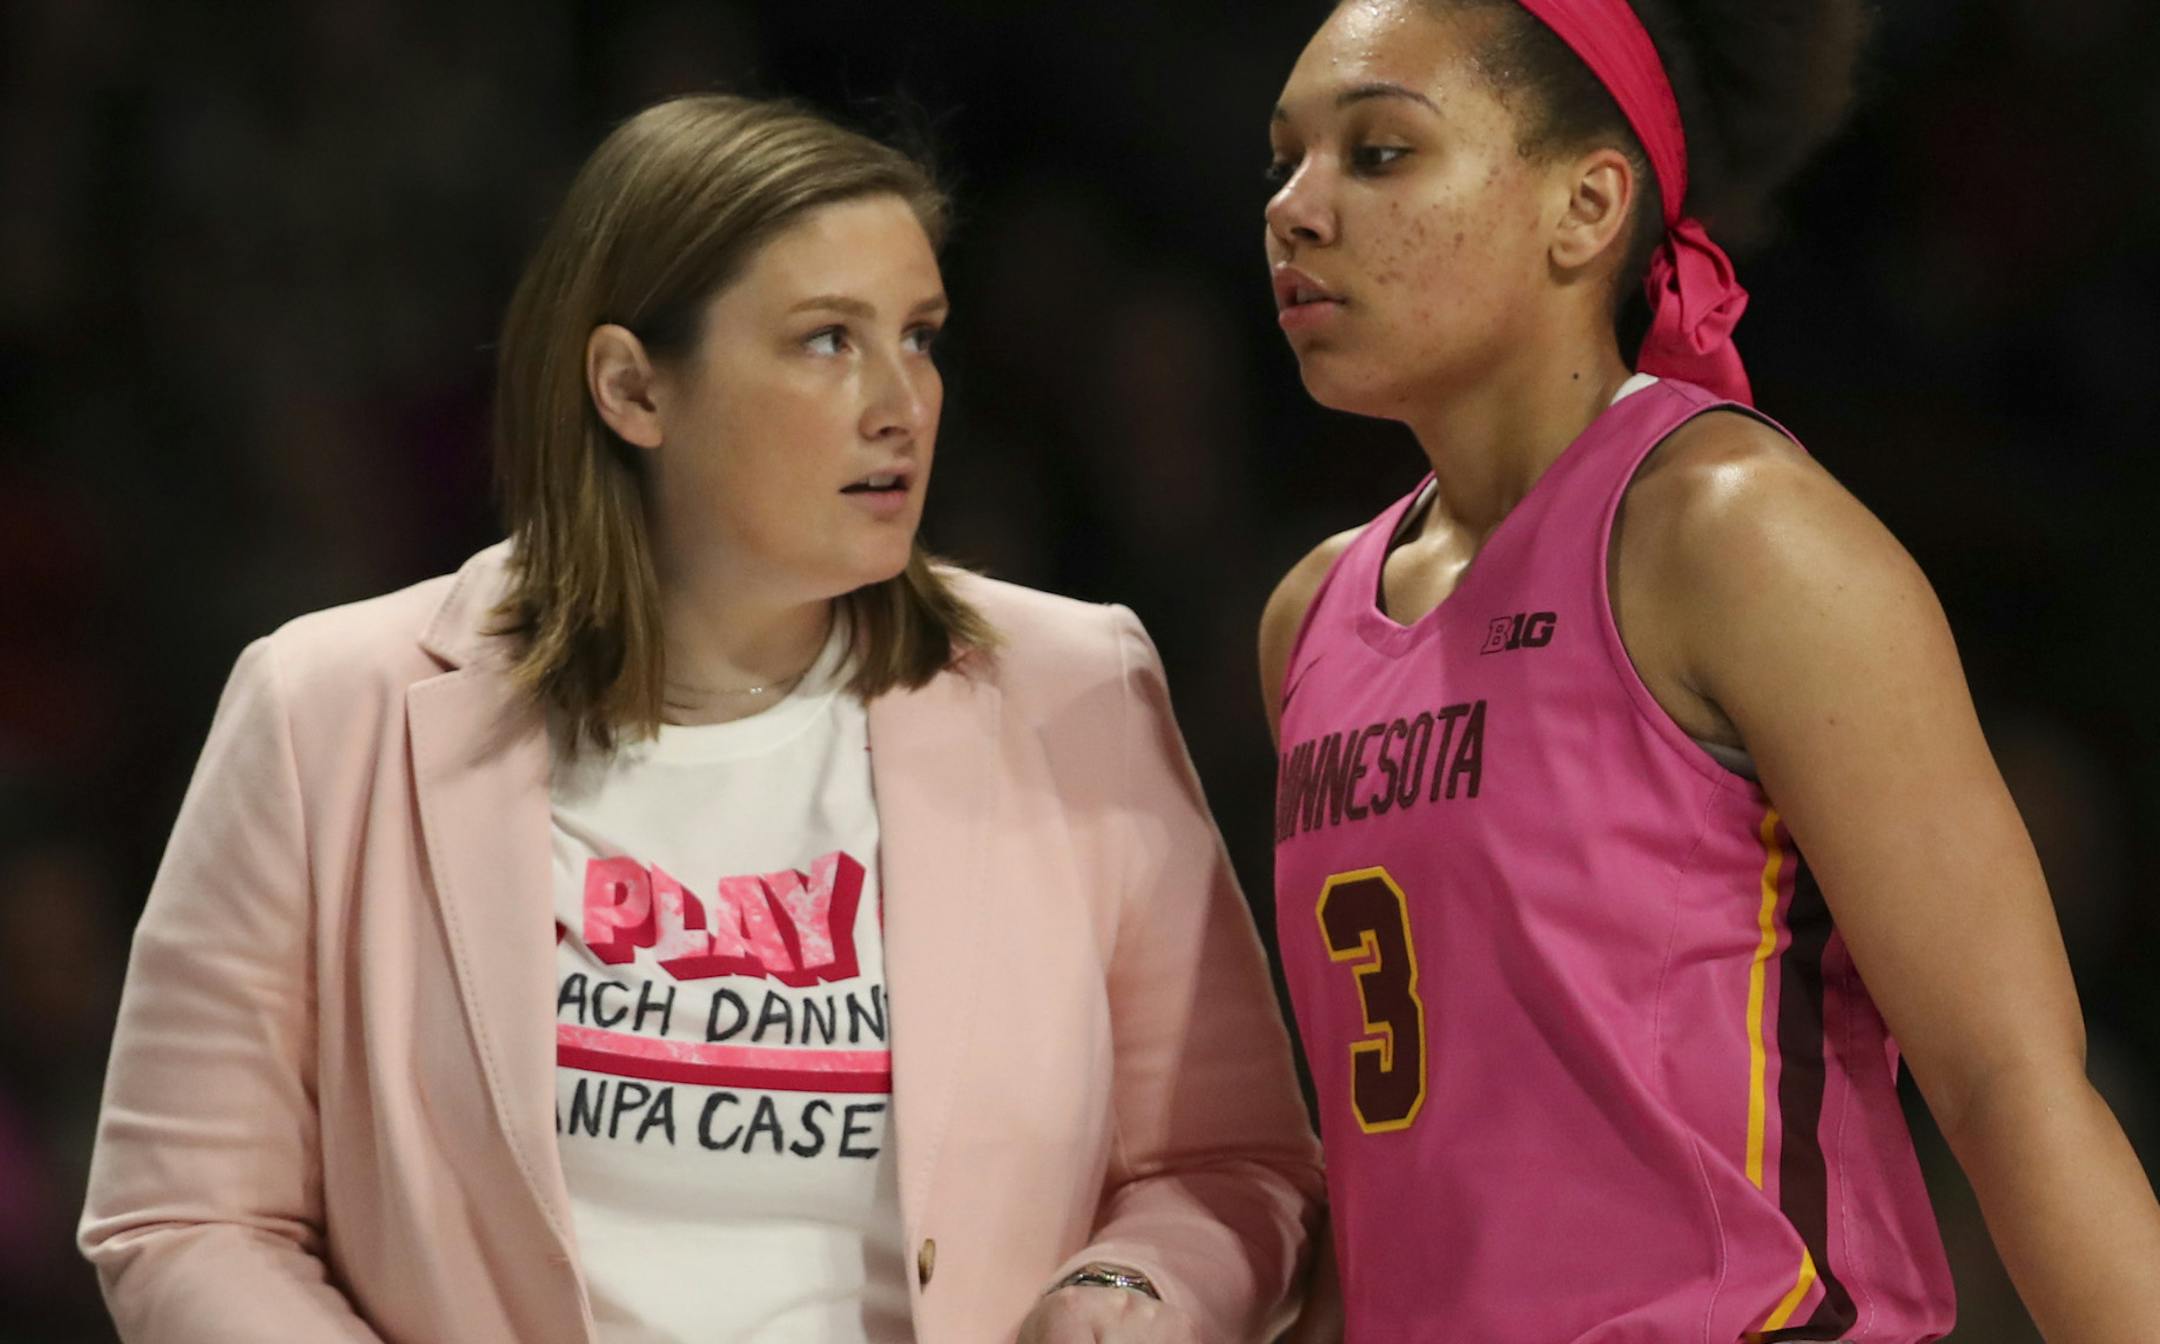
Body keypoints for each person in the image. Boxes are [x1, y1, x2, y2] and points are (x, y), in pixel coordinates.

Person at [80, 94, 1322, 1344]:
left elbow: (1230, 1163)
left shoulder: (1076, 689)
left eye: (921, 336)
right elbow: (187, 1216)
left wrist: (1127, 1296)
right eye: (827, 341)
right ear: (631, 388)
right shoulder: (324, 710)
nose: (904, 402)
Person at [1256, 2, 2160, 1340]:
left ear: (1587, 206)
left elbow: (2008, 1083)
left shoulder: (1733, 533)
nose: (1297, 208)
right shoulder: (1307, 616)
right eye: (1281, 159)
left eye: (1381, 152)